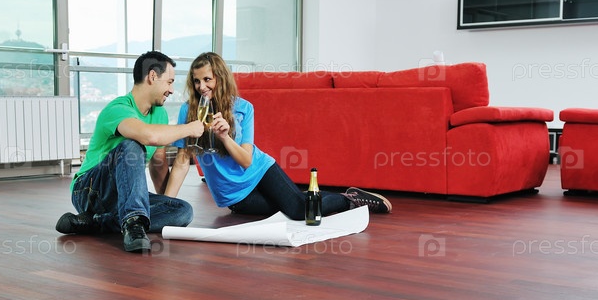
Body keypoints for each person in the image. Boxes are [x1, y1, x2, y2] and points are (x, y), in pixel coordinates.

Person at [164, 52, 391, 220]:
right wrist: (167, 206)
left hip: (260, 171)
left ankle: (350, 199)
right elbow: (182, 162)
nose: (201, 86)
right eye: (196, 81)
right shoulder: (188, 111)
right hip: (235, 197)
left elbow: (246, 160)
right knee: (291, 206)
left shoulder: (243, 108)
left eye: (207, 79)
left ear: (220, 78)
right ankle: (303, 196)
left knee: (299, 211)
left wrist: (224, 137)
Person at [55, 51, 205, 253]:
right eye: (169, 82)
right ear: (152, 76)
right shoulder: (118, 108)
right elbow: (149, 136)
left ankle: (96, 223)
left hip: (124, 194)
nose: (171, 90)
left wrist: (167, 203)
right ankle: (133, 223)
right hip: (90, 190)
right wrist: (189, 128)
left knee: (182, 211)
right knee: (132, 146)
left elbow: (158, 163)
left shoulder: (159, 114)